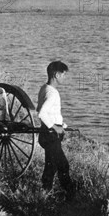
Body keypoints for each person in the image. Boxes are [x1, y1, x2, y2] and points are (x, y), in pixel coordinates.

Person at [37, 61, 76, 198]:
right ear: (56, 75)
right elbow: (41, 113)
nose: (64, 78)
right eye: (63, 75)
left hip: (46, 133)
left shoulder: (45, 88)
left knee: (51, 166)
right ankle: (71, 194)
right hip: (51, 135)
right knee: (63, 165)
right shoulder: (53, 93)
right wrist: (55, 127)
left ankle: (44, 193)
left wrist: (62, 125)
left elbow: (46, 112)